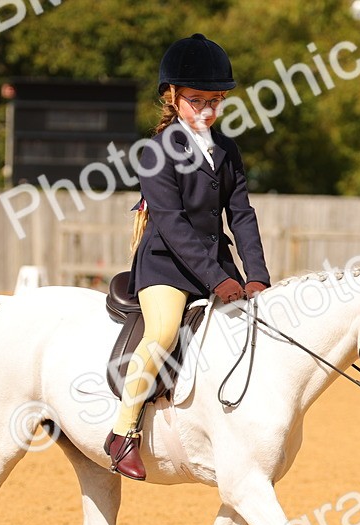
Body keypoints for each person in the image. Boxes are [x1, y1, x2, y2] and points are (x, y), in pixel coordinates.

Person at [104, 33, 271, 481]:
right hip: (165, 265)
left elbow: (242, 215)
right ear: (173, 97)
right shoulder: (156, 153)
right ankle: (123, 433)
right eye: (197, 101)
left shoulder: (227, 149)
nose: (207, 111)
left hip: (216, 266)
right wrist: (218, 279)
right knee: (161, 331)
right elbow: (174, 226)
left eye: (215, 101)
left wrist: (256, 275)